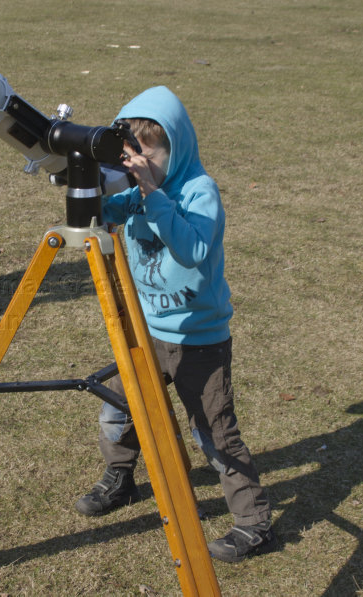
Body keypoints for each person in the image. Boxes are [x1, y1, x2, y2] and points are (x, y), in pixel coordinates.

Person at [75, 86, 274, 562]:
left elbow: (194, 250)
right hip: (148, 332)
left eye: (148, 155)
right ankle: (121, 478)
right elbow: (103, 215)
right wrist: (85, 184)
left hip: (198, 340)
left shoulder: (197, 192)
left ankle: (253, 522)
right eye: (128, 155)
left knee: (215, 433)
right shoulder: (137, 190)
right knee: (119, 406)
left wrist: (153, 194)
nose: (137, 163)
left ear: (176, 150)